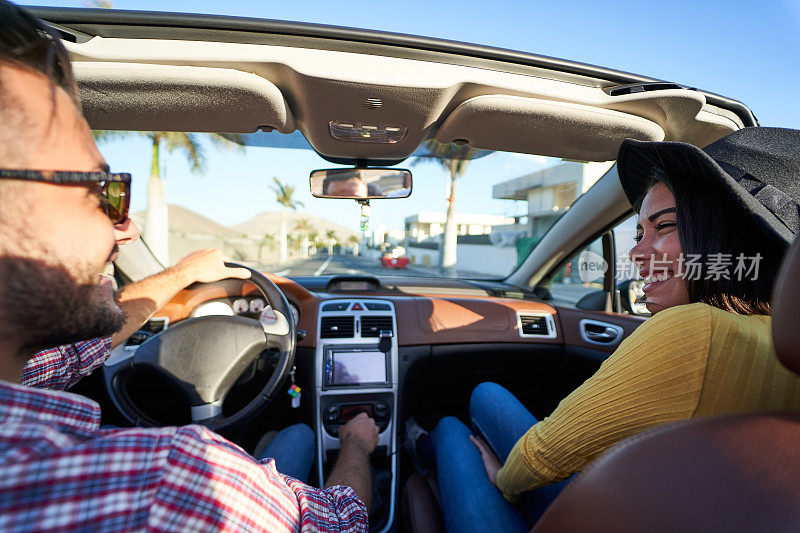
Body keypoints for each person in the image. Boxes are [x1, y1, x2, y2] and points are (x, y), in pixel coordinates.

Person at [0, 2, 376, 530]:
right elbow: (344, 521)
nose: (125, 227)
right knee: (301, 439)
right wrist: (358, 445)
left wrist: (179, 277)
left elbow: (76, 356)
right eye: (99, 191)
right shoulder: (171, 482)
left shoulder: (19, 373)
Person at [411, 126, 800, 532]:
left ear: (730, 238)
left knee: (455, 432)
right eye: (638, 232)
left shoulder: (694, 331)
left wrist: (502, 481)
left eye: (664, 226)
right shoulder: (782, 350)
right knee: (486, 395)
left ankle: (420, 444)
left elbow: (541, 457)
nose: (635, 253)